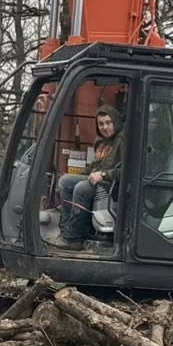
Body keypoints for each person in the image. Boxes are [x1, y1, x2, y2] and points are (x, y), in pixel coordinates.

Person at [54, 103, 121, 245]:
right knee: (64, 181)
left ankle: (75, 238)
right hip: (97, 178)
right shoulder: (102, 142)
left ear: (115, 122)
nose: (105, 127)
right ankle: (66, 229)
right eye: (101, 124)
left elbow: (126, 171)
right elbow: (94, 165)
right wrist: (79, 174)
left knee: (81, 188)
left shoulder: (123, 141)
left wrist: (103, 175)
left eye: (108, 122)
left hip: (110, 183)